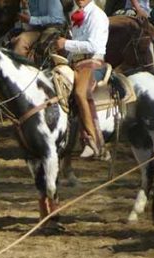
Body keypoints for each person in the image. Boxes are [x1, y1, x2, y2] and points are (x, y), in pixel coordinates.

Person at [55, 0, 109, 158]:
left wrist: (66, 44)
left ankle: (93, 140)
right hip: (75, 61)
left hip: (92, 61)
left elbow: (93, 46)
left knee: (80, 93)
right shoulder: (75, 14)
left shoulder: (98, 16)